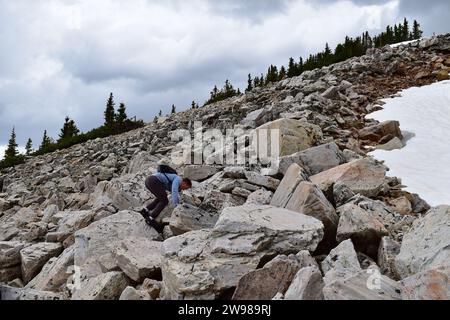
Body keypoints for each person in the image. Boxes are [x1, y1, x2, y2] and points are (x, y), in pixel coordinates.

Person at [140, 169, 192, 233]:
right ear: (184, 183)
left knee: (161, 198)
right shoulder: (178, 179)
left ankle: (145, 210)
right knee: (164, 201)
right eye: (186, 187)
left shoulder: (178, 185)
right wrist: (177, 206)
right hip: (153, 180)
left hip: (149, 181)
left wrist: (180, 202)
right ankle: (150, 218)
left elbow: (176, 193)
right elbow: (174, 191)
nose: (185, 189)